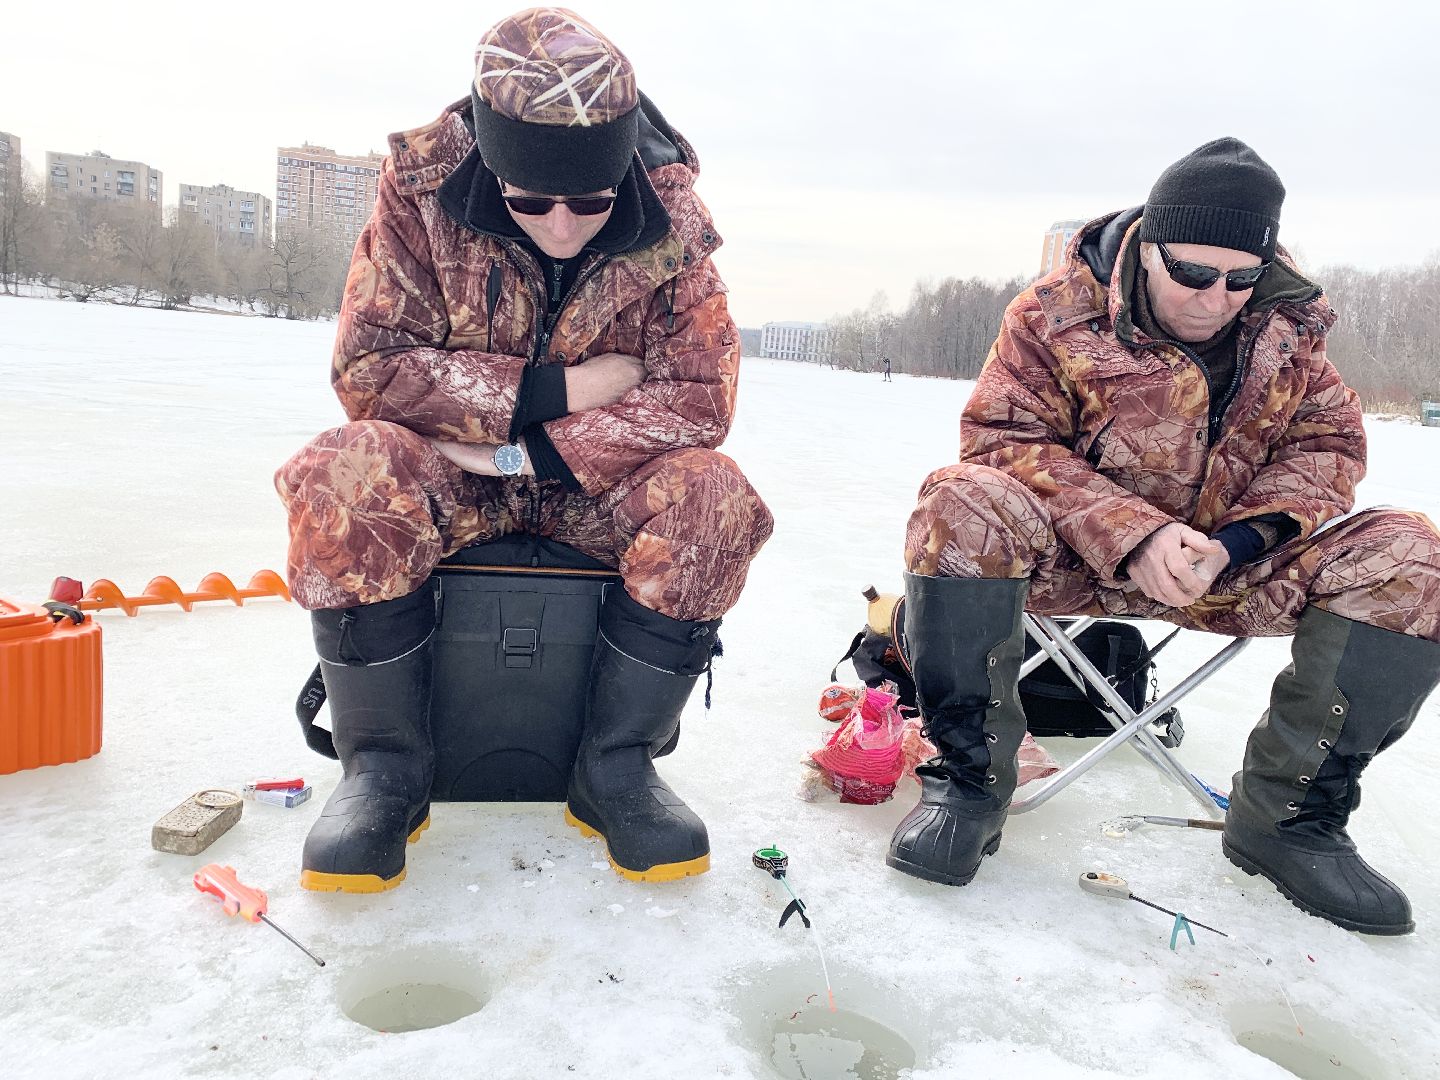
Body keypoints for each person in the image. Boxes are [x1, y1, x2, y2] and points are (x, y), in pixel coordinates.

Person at [275, 7, 772, 894]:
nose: (562, 225)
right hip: (449, 480)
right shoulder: (418, 194)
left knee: (714, 495)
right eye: (530, 200)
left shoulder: (673, 220)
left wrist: (529, 455)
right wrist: (564, 389)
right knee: (343, 469)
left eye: (589, 200)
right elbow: (371, 368)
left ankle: (615, 766)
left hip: (588, 484)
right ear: (491, 168)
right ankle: (385, 770)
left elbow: (699, 398)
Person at [889, 137, 1440, 936]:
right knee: (960, 500)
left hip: (1230, 568)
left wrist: (1242, 542)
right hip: (1072, 558)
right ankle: (971, 782)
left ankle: (1289, 820)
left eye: (1240, 279)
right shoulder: (1052, 316)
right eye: (1192, 273)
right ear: (1147, 249)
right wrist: (1134, 534)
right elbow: (1002, 442)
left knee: (1412, 554)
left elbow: (1327, 451)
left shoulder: (1291, 332)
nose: (1216, 298)